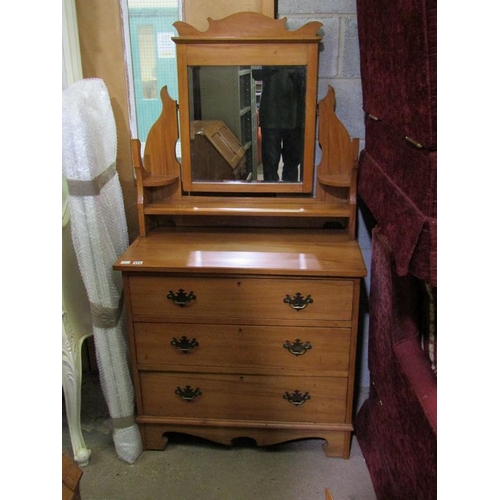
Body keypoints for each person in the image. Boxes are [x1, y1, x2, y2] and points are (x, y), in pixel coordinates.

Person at [254, 66, 306, 182]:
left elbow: (311, 72)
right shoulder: (267, 49)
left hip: (295, 115)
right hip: (272, 114)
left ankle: (288, 197)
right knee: (270, 165)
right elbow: (255, 73)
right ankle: (271, 197)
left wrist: (299, 71)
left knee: (292, 164)